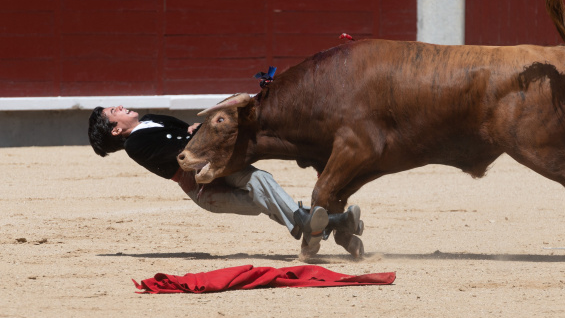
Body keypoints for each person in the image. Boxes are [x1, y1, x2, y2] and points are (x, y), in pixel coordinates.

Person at [87, 105, 363, 243]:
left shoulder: (151, 118)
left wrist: (197, 130)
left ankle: (323, 228)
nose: (121, 106)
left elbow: (190, 130)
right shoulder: (135, 145)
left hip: (220, 165)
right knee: (262, 194)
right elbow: (183, 154)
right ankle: (327, 225)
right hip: (205, 187)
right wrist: (196, 136)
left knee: (262, 182)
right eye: (115, 111)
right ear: (116, 130)